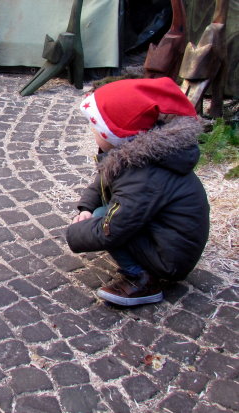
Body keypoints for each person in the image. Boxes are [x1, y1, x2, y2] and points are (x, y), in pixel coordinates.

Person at [66, 77, 210, 306]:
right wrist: (86, 207)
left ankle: (143, 279)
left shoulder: (143, 174)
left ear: (112, 134)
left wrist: (76, 231)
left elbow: (113, 229)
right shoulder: (138, 154)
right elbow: (105, 178)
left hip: (170, 259)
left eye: (94, 126)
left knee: (105, 219)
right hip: (165, 238)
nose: (91, 131)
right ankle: (140, 263)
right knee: (100, 212)